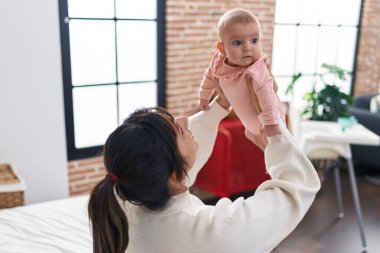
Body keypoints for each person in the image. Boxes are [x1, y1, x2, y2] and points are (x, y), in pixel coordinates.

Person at [88, 76, 321, 253]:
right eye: (178, 129)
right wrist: (273, 126)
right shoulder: (209, 232)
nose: (183, 119)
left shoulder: (127, 198)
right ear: (171, 174)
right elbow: (295, 190)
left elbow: (177, 164)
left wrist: (220, 104)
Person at [198, 8, 285, 147]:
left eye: (254, 40)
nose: (248, 47)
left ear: (261, 41)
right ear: (222, 48)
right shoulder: (218, 62)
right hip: (250, 125)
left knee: (272, 147)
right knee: (250, 134)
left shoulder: (257, 68)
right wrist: (204, 96)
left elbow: (267, 95)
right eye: (238, 43)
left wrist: (271, 124)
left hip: (269, 119)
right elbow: (209, 76)